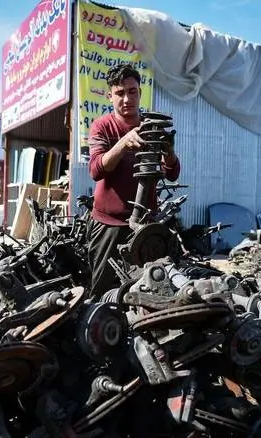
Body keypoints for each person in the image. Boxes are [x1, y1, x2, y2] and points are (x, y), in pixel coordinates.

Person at [86, 63, 181, 298]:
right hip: (109, 225)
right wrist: (123, 143)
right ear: (109, 96)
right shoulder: (102, 126)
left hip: (145, 225)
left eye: (132, 91)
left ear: (140, 92)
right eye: (120, 93)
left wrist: (169, 152)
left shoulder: (151, 126)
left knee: (152, 286)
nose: (127, 99)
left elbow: (172, 173)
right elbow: (96, 170)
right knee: (102, 291)